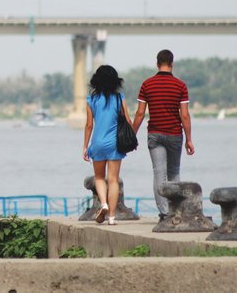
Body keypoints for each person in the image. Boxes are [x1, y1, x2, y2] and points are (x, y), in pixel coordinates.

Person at [132, 49, 195, 221]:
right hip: (174, 134)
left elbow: (139, 113)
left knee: (158, 173)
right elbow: (184, 115)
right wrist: (189, 139)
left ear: (157, 63)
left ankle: (164, 213)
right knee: (174, 172)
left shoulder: (147, 84)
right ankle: (175, 211)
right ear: (172, 64)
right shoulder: (180, 85)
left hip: (154, 134)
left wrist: (132, 135)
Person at [83, 65, 133, 225]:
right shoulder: (119, 98)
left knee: (99, 177)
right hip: (114, 144)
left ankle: (103, 203)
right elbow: (128, 120)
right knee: (113, 180)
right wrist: (131, 139)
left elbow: (89, 125)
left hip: (97, 143)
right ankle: (111, 217)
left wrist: (85, 146)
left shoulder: (91, 99)